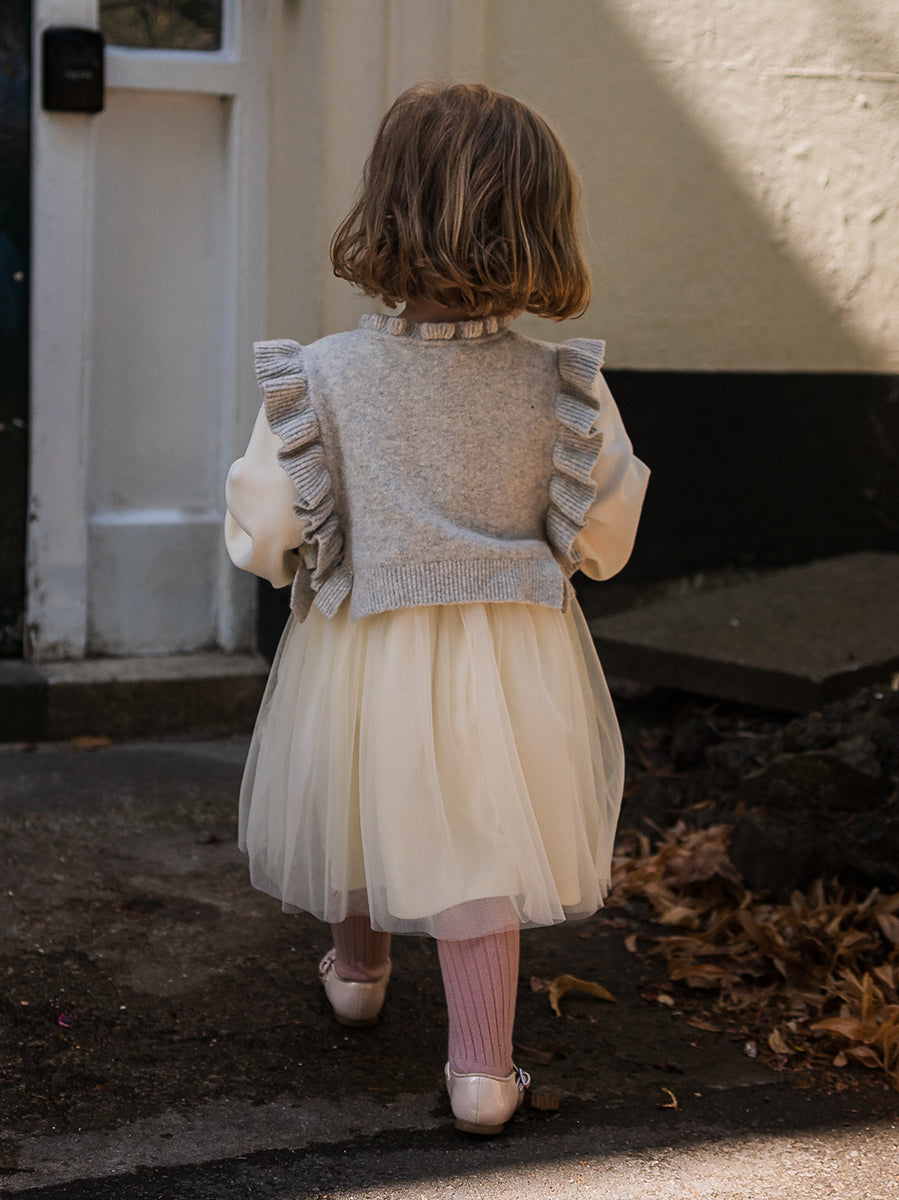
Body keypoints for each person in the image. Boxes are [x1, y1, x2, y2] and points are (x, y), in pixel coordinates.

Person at [224, 81, 649, 1136]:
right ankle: (482, 1073)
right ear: (541, 223)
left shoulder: (320, 378)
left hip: (362, 644)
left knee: (359, 795)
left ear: (384, 210)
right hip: (514, 657)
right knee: (480, 840)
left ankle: (357, 974)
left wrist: (283, 559)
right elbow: (605, 530)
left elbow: (266, 526)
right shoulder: (566, 386)